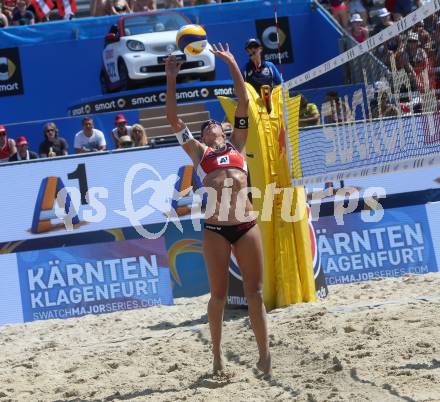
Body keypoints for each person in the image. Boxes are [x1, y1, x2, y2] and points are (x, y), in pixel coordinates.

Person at [165, 43, 271, 376]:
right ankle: (216, 356)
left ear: (224, 130)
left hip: (245, 224)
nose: (213, 124)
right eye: (207, 125)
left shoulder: (238, 143)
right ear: (204, 135)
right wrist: (171, 78)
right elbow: (172, 118)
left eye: (216, 123)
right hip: (215, 229)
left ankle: (264, 354)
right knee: (219, 297)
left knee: (255, 293)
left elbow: (243, 99)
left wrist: (230, 64)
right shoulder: (199, 153)